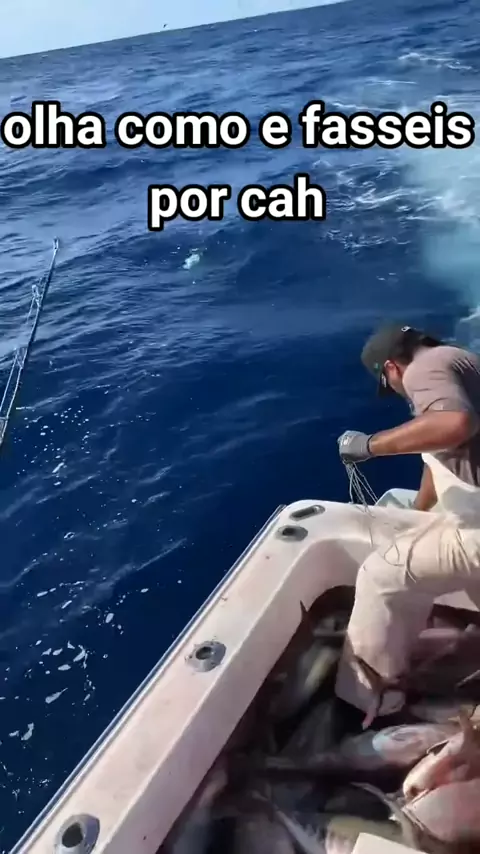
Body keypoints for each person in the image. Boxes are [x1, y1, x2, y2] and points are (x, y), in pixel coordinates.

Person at [334, 322, 480, 720]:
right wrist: (418, 511)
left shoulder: (424, 369)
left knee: (382, 576)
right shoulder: (459, 362)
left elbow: (454, 424)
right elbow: (440, 455)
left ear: (391, 368)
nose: (398, 390)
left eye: (390, 384)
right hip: (470, 514)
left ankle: (371, 701)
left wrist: (369, 446)